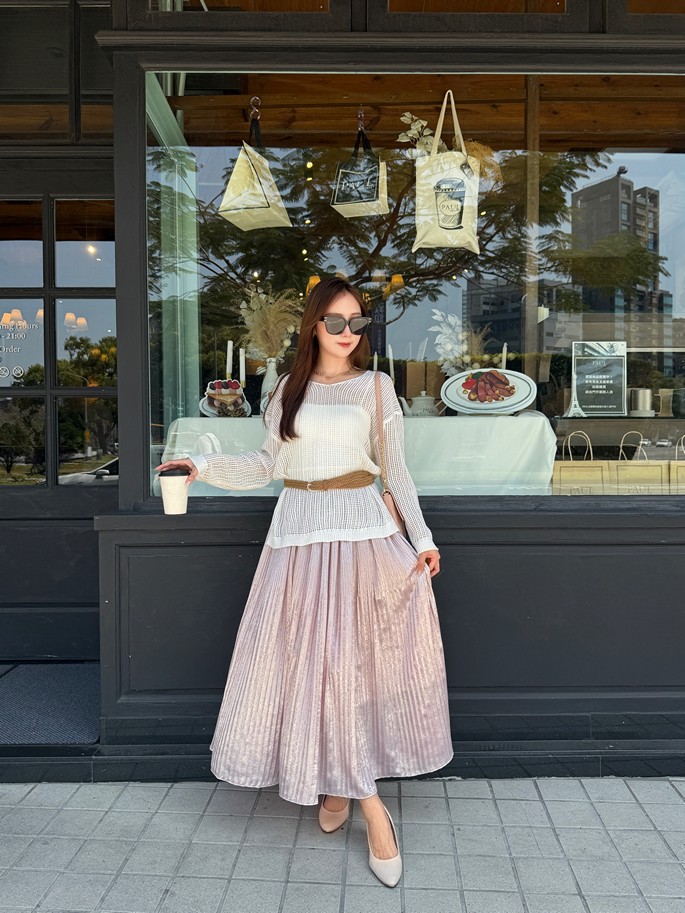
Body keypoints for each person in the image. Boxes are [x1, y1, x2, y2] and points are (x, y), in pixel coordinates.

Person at [156, 277, 453, 887]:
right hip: (296, 539)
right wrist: (201, 466)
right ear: (313, 326)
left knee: (354, 669)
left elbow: (396, 473)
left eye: (356, 322)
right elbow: (266, 466)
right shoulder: (286, 390)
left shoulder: (376, 388)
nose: (347, 333)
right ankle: (354, 794)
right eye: (334, 322)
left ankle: (360, 798)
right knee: (310, 668)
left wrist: (423, 539)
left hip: (363, 536)